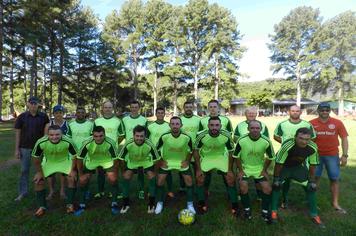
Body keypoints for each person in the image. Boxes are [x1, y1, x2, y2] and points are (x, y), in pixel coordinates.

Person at [271, 128, 324, 227]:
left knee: (311, 187)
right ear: (295, 137)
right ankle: (273, 210)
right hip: (284, 167)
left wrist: (312, 180)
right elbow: (279, 163)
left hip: (297, 167)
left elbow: (313, 165)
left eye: (307, 139)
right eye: (301, 138)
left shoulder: (312, 147)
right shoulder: (288, 145)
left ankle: (314, 214)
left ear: (310, 139)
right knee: (276, 185)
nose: (304, 141)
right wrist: (276, 178)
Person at [273, 105, 316, 208]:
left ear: (300, 112)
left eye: (297, 111)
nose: (295, 112)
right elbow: (275, 136)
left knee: (306, 179)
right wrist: (285, 144)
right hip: (286, 154)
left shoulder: (307, 124)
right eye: (293, 111)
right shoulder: (282, 124)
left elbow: (313, 138)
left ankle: (309, 200)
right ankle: (284, 199)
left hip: (301, 157)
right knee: (285, 179)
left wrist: (303, 147)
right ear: (289, 112)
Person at [194, 117, 238, 216]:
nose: (214, 127)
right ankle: (201, 203)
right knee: (200, 179)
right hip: (207, 157)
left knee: (230, 179)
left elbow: (231, 152)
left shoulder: (226, 135)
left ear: (221, 126)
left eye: (217, 125)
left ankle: (235, 205)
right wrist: (198, 169)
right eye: (212, 125)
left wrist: (230, 169)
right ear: (208, 125)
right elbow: (195, 151)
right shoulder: (201, 135)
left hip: (221, 157)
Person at [310, 102, 349, 213]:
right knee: (314, 179)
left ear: (330, 111)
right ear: (318, 111)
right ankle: (313, 202)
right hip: (315, 155)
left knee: (334, 179)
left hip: (332, 155)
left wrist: (345, 155)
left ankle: (335, 203)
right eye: (322, 110)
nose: (324, 112)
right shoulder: (311, 123)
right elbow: (305, 139)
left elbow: (344, 139)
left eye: (327, 110)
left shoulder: (337, 123)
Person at [31, 125, 77, 217]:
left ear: (61, 134)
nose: (54, 137)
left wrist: (72, 170)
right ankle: (42, 207)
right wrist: (39, 172)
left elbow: (75, 156)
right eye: (51, 135)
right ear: (47, 135)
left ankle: (70, 204)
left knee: (72, 178)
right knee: (38, 181)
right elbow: (35, 158)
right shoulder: (41, 142)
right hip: (49, 162)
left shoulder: (68, 140)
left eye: (57, 134)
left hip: (64, 161)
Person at [234, 120, 274, 222]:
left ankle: (265, 211)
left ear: (261, 129)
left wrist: (264, 170)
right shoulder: (241, 140)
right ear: (248, 129)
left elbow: (270, 157)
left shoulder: (266, 141)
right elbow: (236, 156)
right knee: (243, 187)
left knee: (267, 189)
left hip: (259, 168)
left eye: (257, 128)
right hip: (245, 167)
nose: (255, 130)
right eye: (252, 128)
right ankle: (247, 210)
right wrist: (241, 170)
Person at [75, 126, 120, 215]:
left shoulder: (110, 143)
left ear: (104, 135)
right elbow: (79, 159)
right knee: (83, 180)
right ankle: (82, 205)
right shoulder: (87, 142)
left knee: (113, 179)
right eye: (96, 136)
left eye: (101, 136)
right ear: (93, 136)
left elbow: (115, 160)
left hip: (106, 161)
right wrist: (80, 175)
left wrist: (115, 174)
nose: (98, 138)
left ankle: (114, 203)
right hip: (92, 161)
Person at [155, 116, 195, 214]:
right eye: (172, 124)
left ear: (181, 125)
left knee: (189, 181)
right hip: (167, 162)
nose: (175, 126)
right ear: (169, 125)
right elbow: (156, 149)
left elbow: (191, 150)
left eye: (177, 124)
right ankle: (159, 203)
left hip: (181, 162)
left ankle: (190, 204)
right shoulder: (164, 136)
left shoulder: (187, 137)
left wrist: (187, 161)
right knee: (160, 181)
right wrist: (161, 161)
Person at [14, 96, 49, 201]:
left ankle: (42, 190)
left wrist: (45, 147)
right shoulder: (22, 117)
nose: (33, 105)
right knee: (24, 170)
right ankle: (22, 192)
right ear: (28, 104)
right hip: (25, 148)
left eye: (35, 103)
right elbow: (18, 133)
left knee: (41, 170)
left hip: (40, 149)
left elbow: (46, 133)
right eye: (31, 103)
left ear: (39, 104)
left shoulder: (44, 117)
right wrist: (16, 149)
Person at [118, 125, 160, 214]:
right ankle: (125, 204)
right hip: (133, 163)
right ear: (133, 135)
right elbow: (120, 158)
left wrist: (155, 173)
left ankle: (151, 204)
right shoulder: (128, 143)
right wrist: (123, 171)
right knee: (126, 178)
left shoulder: (150, 144)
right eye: (137, 136)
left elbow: (157, 159)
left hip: (146, 162)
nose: (139, 138)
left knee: (152, 178)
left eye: (142, 136)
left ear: (145, 136)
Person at [234, 106, 270, 201]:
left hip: (258, 155)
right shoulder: (240, 125)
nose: (251, 114)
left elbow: (266, 140)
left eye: (253, 113)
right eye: (249, 113)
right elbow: (235, 138)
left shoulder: (262, 125)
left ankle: (259, 195)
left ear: (256, 114)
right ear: (245, 114)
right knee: (241, 176)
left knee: (258, 177)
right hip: (243, 155)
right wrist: (246, 142)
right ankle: (241, 194)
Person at [94, 101, 124, 199]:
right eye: (106, 107)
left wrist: (114, 144)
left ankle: (114, 191)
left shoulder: (118, 121)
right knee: (100, 172)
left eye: (109, 107)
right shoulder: (97, 121)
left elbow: (121, 136)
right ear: (102, 108)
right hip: (99, 150)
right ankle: (100, 191)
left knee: (113, 173)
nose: (107, 109)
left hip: (112, 152)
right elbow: (93, 135)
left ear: (112, 108)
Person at [122, 100, 148, 200]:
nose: (134, 109)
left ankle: (141, 190)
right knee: (127, 170)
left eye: (136, 107)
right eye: (132, 107)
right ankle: (125, 191)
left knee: (140, 170)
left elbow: (146, 135)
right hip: (128, 148)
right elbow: (123, 134)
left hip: (140, 148)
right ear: (130, 108)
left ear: (139, 108)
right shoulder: (125, 119)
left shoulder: (143, 119)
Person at [146, 107, 173, 197]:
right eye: (158, 113)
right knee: (153, 172)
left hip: (166, 152)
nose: (160, 114)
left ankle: (170, 190)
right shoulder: (150, 126)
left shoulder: (169, 126)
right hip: (154, 153)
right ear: (156, 114)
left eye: (162, 113)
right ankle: (152, 189)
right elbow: (146, 140)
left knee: (167, 171)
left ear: (164, 114)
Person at [46, 105, 69, 200]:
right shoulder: (49, 124)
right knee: (50, 173)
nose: (58, 114)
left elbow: (68, 138)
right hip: (51, 152)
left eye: (60, 112)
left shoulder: (67, 124)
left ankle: (62, 191)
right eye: (56, 113)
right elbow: (45, 138)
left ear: (63, 113)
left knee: (63, 173)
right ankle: (51, 191)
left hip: (63, 152)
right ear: (53, 114)